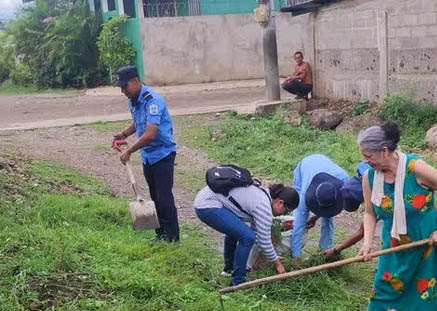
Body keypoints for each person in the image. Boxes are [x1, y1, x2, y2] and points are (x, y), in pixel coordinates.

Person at [349, 122, 437, 311]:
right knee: (384, 281)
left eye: (369, 156)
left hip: (425, 239)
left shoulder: (416, 168)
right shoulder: (370, 176)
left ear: (384, 151)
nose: (366, 161)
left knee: (424, 286)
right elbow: (369, 212)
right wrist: (367, 243)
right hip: (393, 239)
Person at [112, 65, 180, 243]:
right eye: (121, 87)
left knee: (164, 198)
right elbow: (138, 122)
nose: (123, 91)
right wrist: (123, 134)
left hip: (163, 155)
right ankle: (160, 234)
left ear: (135, 81)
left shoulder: (153, 101)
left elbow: (150, 135)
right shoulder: (133, 100)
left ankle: (172, 238)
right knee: (155, 196)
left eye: (124, 86)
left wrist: (129, 151)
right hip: (148, 156)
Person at [194, 183, 299, 286]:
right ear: (280, 203)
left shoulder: (263, 195)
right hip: (208, 205)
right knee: (247, 237)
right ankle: (238, 282)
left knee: (238, 230)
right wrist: (277, 263)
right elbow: (264, 241)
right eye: (286, 211)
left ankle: (229, 270)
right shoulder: (264, 206)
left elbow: (258, 234)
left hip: (206, 199)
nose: (283, 215)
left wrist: (271, 253)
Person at [290, 154, 358, 261]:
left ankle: (325, 252)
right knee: (299, 216)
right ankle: (294, 251)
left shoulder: (344, 182)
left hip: (324, 164)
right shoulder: (305, 195)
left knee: (328, 218)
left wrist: (315, 216)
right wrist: (296, 257)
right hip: (306, 166)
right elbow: (299, 225)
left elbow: (329, 208)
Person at [322, 162, 372, 261]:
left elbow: (362, 232)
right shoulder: (359, 176)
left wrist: (335, 250)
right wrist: (316, 217)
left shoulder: (376, 197)